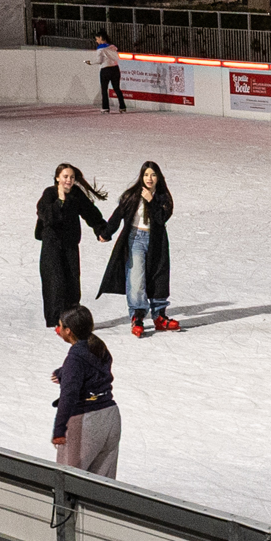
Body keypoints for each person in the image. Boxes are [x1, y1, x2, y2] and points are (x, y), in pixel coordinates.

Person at [96, 162, 180, 336]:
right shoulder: (132, 195)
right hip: (135, 238)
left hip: (157, 240)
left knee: (159, 276)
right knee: (136, 277)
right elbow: (117, 215)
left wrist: (151, 201)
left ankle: (159, 316)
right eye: (146, 174)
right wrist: (106, 233)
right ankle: (137, 316)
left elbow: (162, 218)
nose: (150, 178)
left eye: (153, 175)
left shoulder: (163, 197)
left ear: (158, 178)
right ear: (141, 176)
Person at [35, 164, 114, 327]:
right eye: (65, 177)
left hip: (70, 245)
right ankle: (56, 323)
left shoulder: (77, 194)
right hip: (52, 246)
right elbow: (47, 216)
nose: (69, 180)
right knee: (55, 284)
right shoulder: (49, 194)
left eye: (71, 177)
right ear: (57, 178)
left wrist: (101, 230)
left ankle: (71, 322)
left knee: (72, 283)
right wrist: (60, 201)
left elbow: (90, 213)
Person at [48, 306, 120, 477]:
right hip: (110, 417)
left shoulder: (75, 359)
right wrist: (64, 372)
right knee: (101, 488)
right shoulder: (98, 347)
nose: (57, 330)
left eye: (60, 326)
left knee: (68, 482)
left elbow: (69, 396)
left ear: (68, 331)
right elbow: (93, 370)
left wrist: (59, 430)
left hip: (86, 422)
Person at [93, 35, 125, 112]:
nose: (96, 41)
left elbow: (99, 61)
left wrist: (91, 62)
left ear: (101, 38)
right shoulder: (113, 47)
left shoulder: (100, 49)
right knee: (117, 88)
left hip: (105, 69)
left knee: (104, 89)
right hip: (115, 68)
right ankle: (122, 106)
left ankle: (105, 107)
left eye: (97, 39)